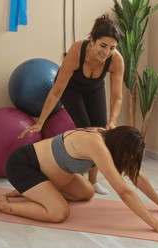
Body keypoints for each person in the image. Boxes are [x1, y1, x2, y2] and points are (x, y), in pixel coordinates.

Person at [0, 126, 158, 236]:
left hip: (49, 174)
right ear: (120, 148)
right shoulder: (96, 144)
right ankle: (4, 205)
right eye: (129, 156)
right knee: (59, 212)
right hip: (24, 166)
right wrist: (155, 224)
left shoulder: (110, 138)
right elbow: (124, 191)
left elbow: (137, 176)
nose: (129, 161)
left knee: (87, 192)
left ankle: (35, 192)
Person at [19, 14, 124, 195]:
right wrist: (40, 123)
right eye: (103, 45)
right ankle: (75, 177)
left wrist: (113, 121)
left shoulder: (116, 60)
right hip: (70, 88)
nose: (106, 52)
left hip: (94, 88)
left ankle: (93, 180)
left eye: (112, 48)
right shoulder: (78, 50)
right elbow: (57, 90)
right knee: (85, 130)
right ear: (92, 40)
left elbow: (117, 97)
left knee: (99, 131)